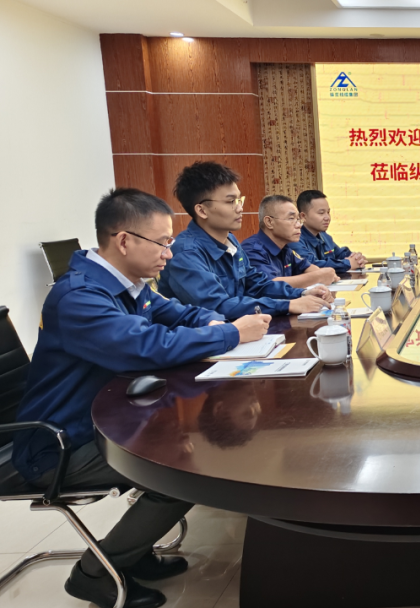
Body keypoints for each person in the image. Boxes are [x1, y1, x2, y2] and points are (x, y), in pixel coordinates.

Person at [13, 189, 271, 608]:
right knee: (182, 471)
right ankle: (94, 574)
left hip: (102, 424)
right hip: (57, 445)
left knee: (183, 456)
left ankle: (132, 553)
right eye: (163, 243)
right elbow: (142, 347)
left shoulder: (130, 286)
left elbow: (178, 313)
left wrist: (214, 322)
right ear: (124, 241)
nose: (169, 253)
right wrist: (230, 334)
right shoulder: (80, 296)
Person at [157, 162, 333, 319]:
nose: (240, 208)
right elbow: (218, 307)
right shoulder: (186, 253)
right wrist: (287, 305)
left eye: (239, 200)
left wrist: (301, 294)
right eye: (230, 202)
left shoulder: (230, 240)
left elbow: (257, 284)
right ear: (202, 211)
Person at [241, 195, 339, 288]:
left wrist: (325, 274)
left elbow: (307, 267)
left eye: (298, 219)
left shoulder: (285, 248)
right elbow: (269, 285)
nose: (299, 225)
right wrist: (318, 277)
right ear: (269, 222)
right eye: (291, 219)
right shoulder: (252, 250)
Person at [294, 189, 367, 273]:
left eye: (328, 212)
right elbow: (311, 264)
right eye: (321, 213)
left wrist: (357, 258)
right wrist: (347, 263)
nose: (327, 217)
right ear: (303, 216)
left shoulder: (325, 237)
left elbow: (341, 255)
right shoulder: (295, 239)